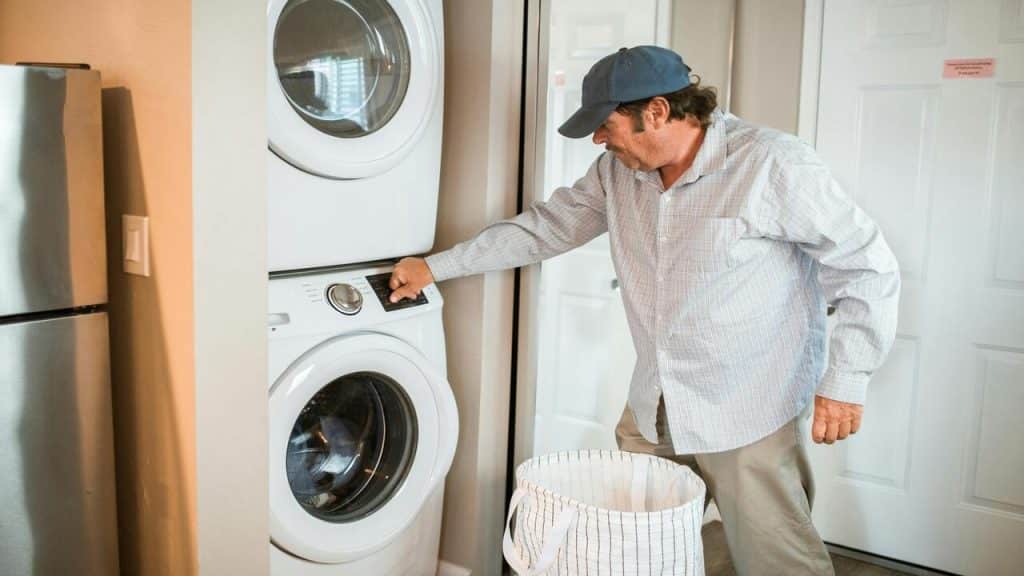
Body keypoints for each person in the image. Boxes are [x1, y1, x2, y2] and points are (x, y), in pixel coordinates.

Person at [388, 45, 900, 575]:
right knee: (632, 550)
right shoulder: (616, 174)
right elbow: (547, 228)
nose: (598, 139)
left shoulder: (771, 163)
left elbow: (868, 266)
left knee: (777, 562)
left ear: (656, 111)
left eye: (606, 125)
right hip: (655, 405)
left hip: (748, 409)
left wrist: (846, 379)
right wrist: (437, 267)